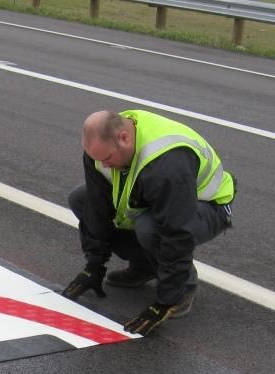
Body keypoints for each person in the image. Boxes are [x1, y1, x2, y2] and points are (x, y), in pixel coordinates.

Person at [61, 109, 236, 336]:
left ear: (124, 139)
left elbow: (176, 231)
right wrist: (94, 264)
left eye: (107, 159)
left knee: (149, 227)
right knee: (81, 199)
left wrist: (167, 299)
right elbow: (97, 207)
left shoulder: (167, 163)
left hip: (209, 205)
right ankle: (144, 267)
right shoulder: (103, 147)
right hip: (156, 198)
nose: (104, 166)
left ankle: (183, 289)